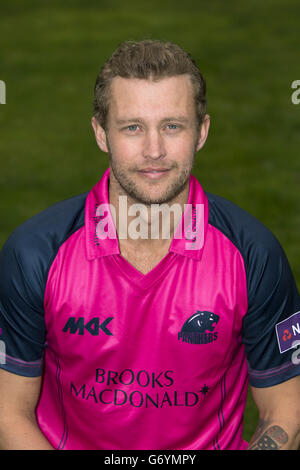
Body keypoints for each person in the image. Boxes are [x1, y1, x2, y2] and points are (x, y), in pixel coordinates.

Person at [0, 40, 299, 451]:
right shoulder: (35, 254)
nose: (154, 150)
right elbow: (8, 411)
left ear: (202, 132)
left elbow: (285, 412)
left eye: (173, 126)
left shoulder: (253, 255)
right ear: (101, 134)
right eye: (133, 127)